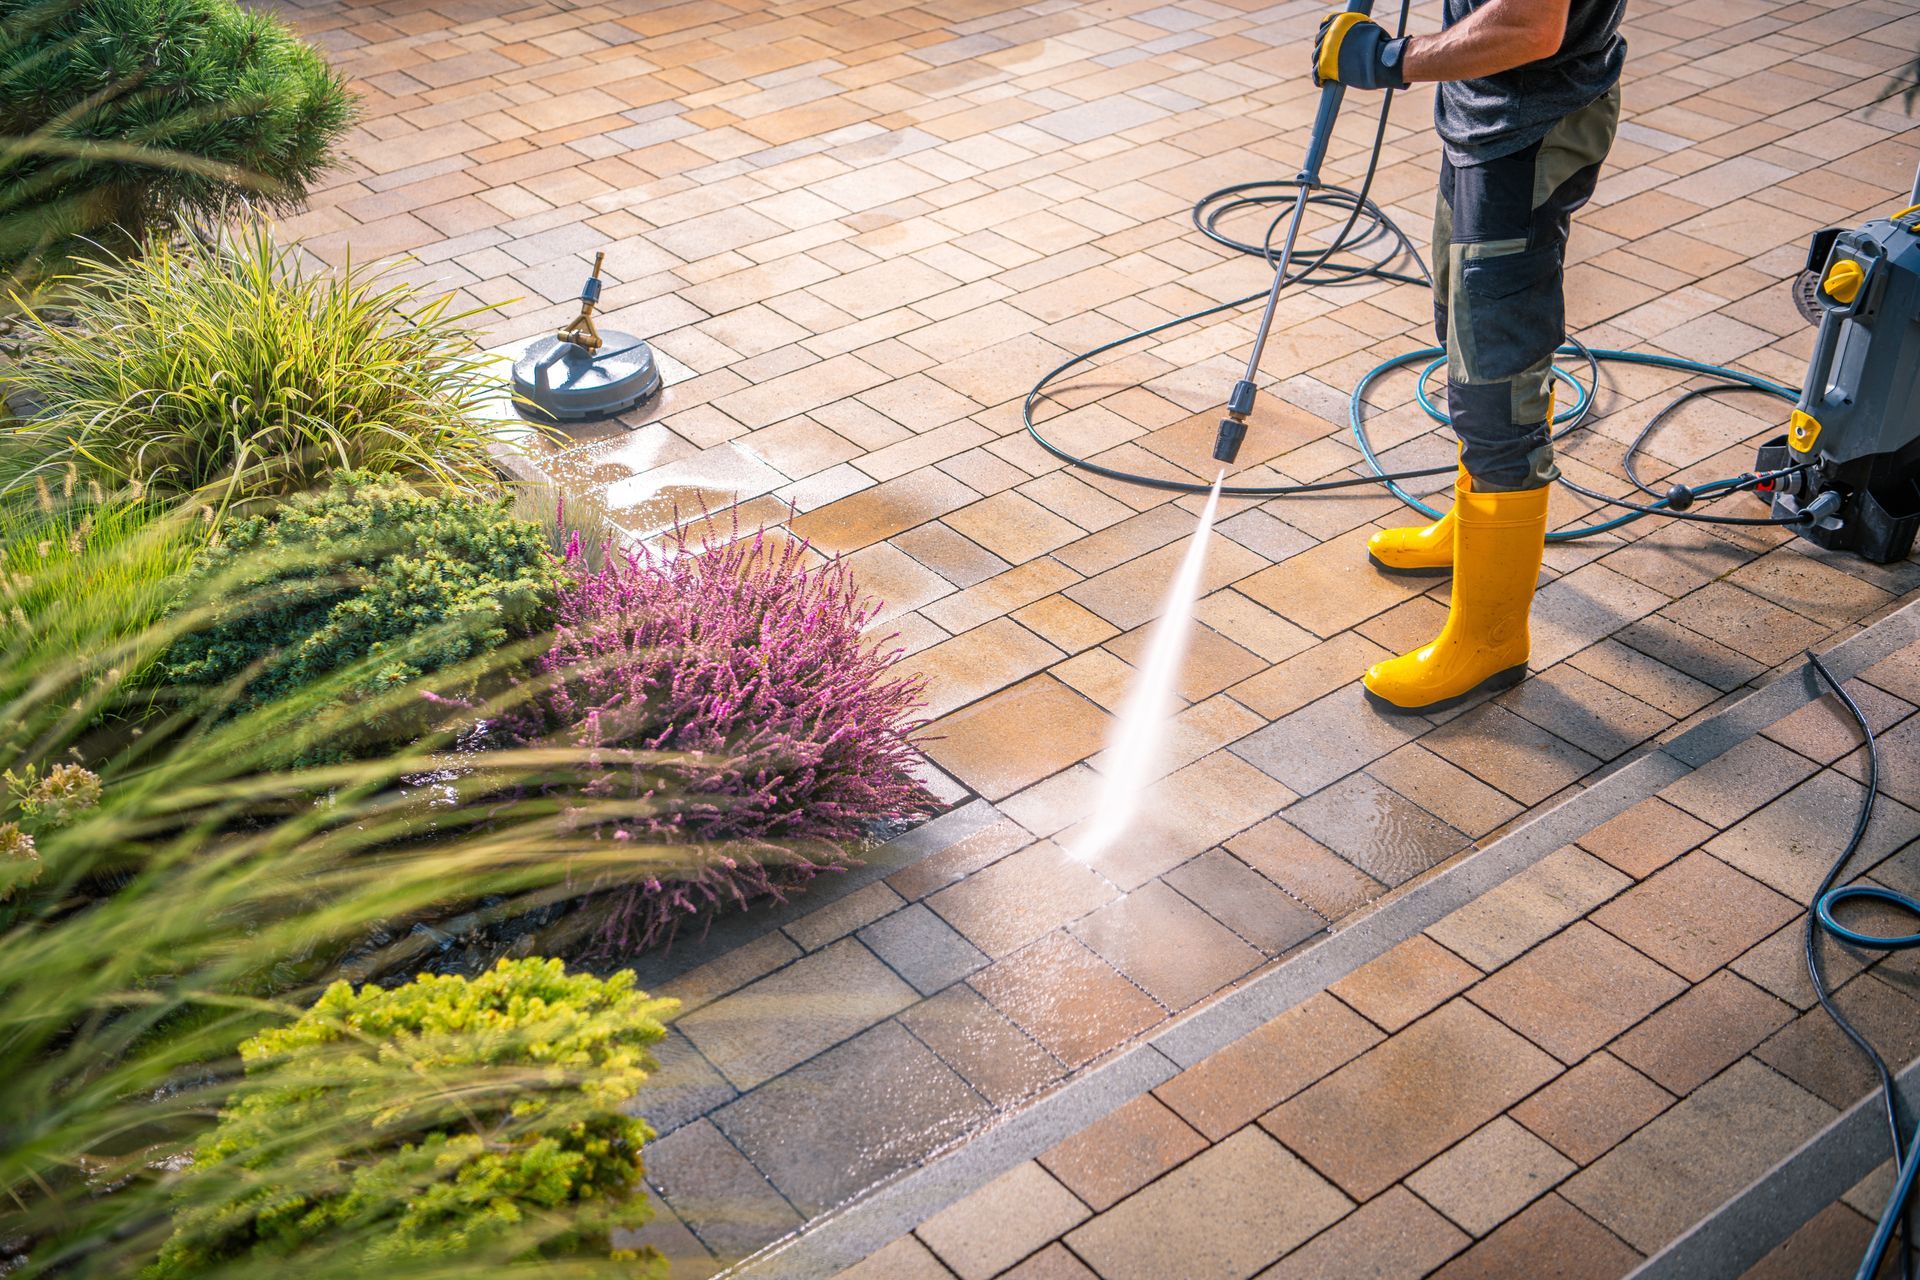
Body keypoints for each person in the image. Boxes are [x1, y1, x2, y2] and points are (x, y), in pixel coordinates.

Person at [1313, 0, 1625, 714]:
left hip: (1528, 126)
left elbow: (1528, 27)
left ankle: (1490, 640)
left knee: (1497, 382)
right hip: (1485, 116)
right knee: (1465, 335)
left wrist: (1390, 60)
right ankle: (1472, 530)